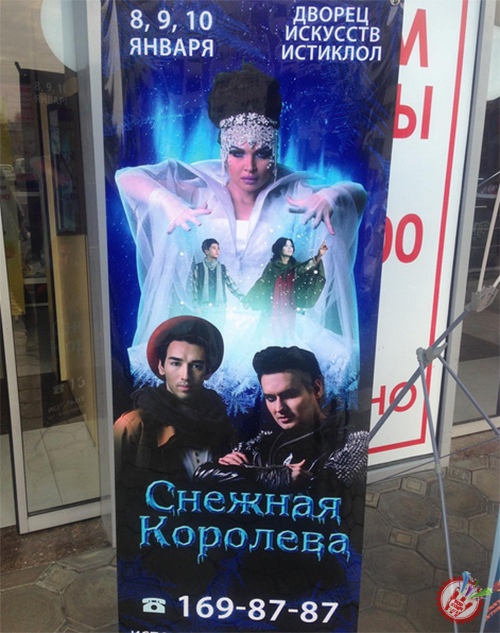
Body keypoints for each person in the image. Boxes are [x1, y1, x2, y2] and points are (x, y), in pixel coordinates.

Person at [115, 64, 367, 409]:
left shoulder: (294, 191)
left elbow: (358, 193)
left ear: (274, 151)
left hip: (278, 329)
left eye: (261, 154)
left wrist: (332, 195)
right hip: (210, 331)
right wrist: (166, 200)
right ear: (223, 151)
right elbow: (126, 178)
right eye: (237, 153)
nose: (249, 166)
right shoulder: (197, 186)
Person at [195, 345, 369, 494]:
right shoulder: (264, 442)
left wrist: (246, 473)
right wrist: (276, 477)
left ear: (317, 389)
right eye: (270, 398)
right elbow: (203, 475)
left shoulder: (353, 441)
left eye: (290, 395)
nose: (279, 408)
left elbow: (324, 491)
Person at [114, 315, 232, 484]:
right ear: (161, 367)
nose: (185, 376)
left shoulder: (219, 420)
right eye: (176, 363)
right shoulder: (134, 425)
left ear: (208, 372)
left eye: (196, 366)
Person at [245, 237, 327, 340]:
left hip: (288, 303)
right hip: (272, 303)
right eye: (286, 245)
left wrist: (319, 255)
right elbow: (262, 282)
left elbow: (306, 267)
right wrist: (249, 298)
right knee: (267, 332)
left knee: (286, 332)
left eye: (291, 246)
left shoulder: (295, 267)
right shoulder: (272, 266)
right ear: (279, 249)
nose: (289, 248)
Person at [190, 238, 244, 328]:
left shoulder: (222, 268)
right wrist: (196, 307)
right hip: (204, 309)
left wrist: (243, 299)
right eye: (214, 248)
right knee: (205, 332)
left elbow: (231, 285)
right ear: (207, 251)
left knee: (219, 332)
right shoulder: (199, 268)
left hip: (220, 309)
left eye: (218, 248)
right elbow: (194, 289)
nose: (217, 250)